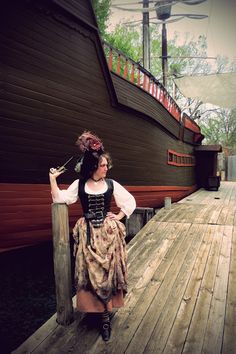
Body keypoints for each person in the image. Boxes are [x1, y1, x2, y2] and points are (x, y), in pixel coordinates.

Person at [49, 131, 136, 341]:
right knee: (89, 273)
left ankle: (105, 318)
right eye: (103, 165)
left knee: (107, 274)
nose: (107, 168)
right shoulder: (79, 185)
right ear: (93, 167)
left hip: (107, 235)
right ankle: (94, 311)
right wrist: (52, 179)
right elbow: (61, 199)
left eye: (106, 164)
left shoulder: (111, 184)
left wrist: (119, 215)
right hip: (88, 234)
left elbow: (129, 201)